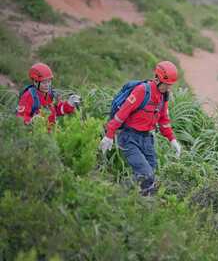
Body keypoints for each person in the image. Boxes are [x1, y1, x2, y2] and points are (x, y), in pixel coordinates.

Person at [99, 61, 182, 196]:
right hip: (129, 138)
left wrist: (172, 140)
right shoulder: (142, 91)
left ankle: (139, 202)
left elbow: (164, 121)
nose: (168, 88)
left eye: (170, 85)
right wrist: (109, 135)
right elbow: (121, 115)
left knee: (151, 176)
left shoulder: (163, 96)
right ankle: (114, 194)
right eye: (166, 85)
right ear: (157, 79)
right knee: (146, 174)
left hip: (147, 139)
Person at [16, 62, 81, 127]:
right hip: (36, 134)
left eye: (49, 81)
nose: (47, 85)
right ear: (35, 82)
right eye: (44, 82)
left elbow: (58, 110)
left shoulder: (50, 94)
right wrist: (32, 121)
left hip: (51, 133)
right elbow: (20, 118)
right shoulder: (28, 96)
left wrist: (69, 104)